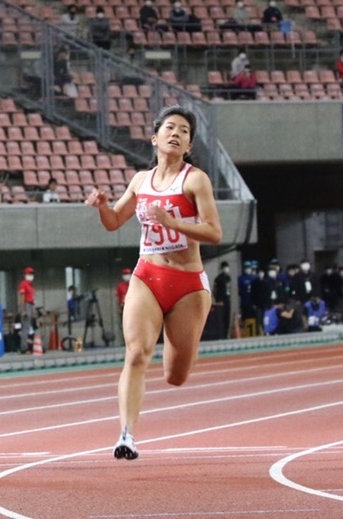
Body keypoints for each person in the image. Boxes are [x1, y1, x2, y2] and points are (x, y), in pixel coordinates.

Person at [85, 105, 222, 460]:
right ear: (155, 138)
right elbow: (115, 221)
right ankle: (126, 435)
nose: (176, 134)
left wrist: (172, 222)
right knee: (136, 354)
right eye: (170, 128)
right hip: (148, 275)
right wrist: (101, 205)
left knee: (176, 376)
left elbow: (214, 232)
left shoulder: (195, 180)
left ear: (189, 145)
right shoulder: (140, 181)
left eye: (184, 131)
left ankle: (180, 350)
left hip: (188, 285)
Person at [18, 266, 37, 353]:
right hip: (26, 305)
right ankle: (24, 348)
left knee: (32, 326)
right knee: (25, 327)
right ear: (25, 274)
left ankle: (32, 345)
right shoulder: (23, 284)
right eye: (29, 274)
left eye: (32, 274)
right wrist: (23, 310)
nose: (31, 275)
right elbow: (22, 297)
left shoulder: (31, 285)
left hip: (31, 304)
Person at [213, 261, 231, 338]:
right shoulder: (218, 279)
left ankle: (226, 334)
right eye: (225, 267)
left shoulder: (228, 278)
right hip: (221, 301)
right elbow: (215, 290)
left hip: (227, 300)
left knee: (227, 317)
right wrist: (218, 300)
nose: (226, 269)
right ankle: (221, 334)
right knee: (221, 318)